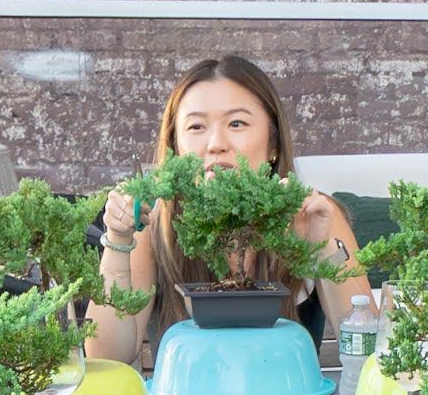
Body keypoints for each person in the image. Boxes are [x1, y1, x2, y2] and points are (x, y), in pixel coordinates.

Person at [85, 54, 368, 363]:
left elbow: (369, 350)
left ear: (273, 145)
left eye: (237, 123)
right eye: (196, 126)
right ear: (175, 146)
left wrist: (322, 248)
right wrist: (118, 241)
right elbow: (106, 357)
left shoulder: (311, 213)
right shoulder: (154, 220)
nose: (216, 143)